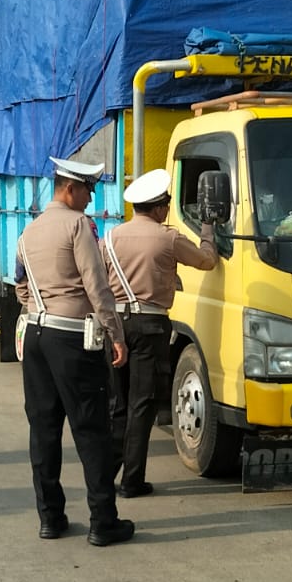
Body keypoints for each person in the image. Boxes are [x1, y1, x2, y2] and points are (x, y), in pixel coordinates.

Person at [15, 156, 131, 546]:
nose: (91, 196)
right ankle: (103, 521)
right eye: (88, 189)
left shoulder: (28, 232)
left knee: (43, 429)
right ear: (70, 188)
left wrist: (38, 308)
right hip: (72, 338)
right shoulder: (78, 225)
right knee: (91, 429)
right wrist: (115, 334)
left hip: (36, 333)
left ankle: (50, 517)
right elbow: (97, 287)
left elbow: (21, 287)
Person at [103, 168, 220, 497]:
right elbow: (206, 262)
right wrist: (208, 230)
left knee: (118, 404)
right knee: (142, 405)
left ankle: (105, 475)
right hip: (150, 325)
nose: (168, 209)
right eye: (166, 204)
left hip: (116, 324)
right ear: (157, 208)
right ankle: (132, 480)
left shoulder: (110, 238)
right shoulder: (168, 238)